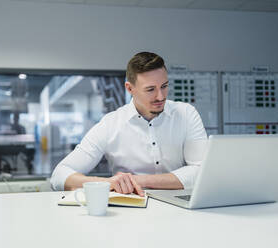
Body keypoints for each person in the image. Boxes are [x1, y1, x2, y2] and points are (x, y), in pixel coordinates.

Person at [50, 52, 207, 196]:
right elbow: (59, 175)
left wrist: (137, 181)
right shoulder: (110, 124)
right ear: (130, 88)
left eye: (164, 86)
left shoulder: (186, 114)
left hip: (180, 211)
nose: (160, 96)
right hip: (129, 214)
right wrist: (108, 183)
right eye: (150, 89)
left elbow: (202, 171)